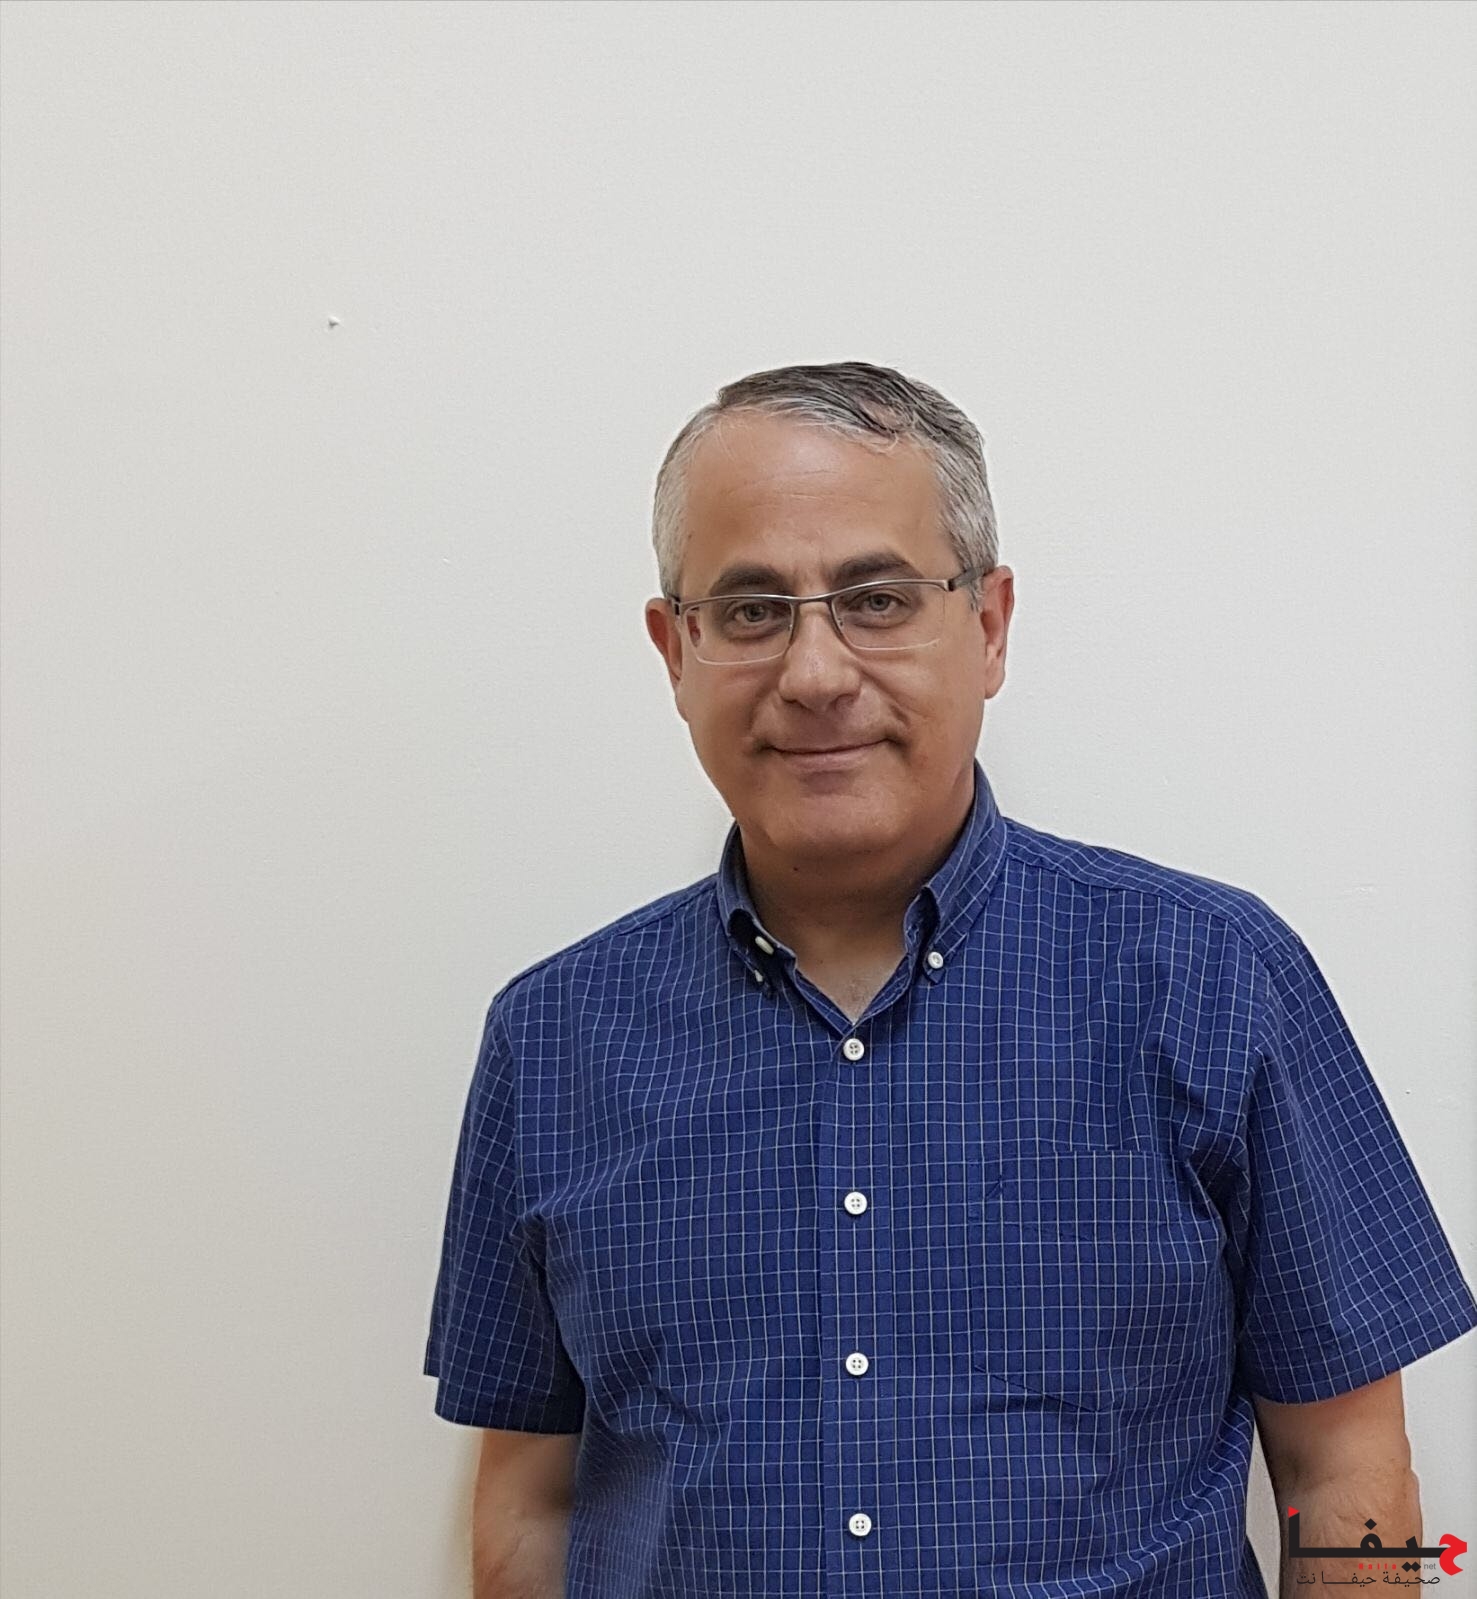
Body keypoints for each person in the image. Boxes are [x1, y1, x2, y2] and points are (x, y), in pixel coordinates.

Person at [423, 361, 1477, 1598]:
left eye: (875, 599)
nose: (816, 674)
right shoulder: (551, 1038)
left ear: (989, 625)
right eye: (751, 610)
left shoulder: (1216, 980)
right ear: (675, 650)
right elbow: (531, 1501)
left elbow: (1346, 1467)